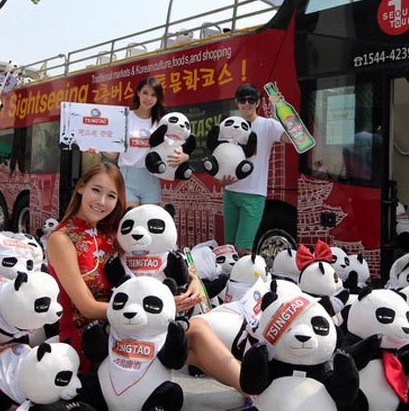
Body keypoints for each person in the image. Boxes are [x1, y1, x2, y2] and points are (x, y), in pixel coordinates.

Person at [48, 163, 244, 392]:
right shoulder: (61, 240)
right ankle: (255, 389)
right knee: (196, 333)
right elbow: (87, 307)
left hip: (128, 325)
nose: (101, 201)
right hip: (91, 337)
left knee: (196, 343)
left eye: (111, 195)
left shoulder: (111, 235)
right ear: (81, 187)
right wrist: (162, 308)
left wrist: (191, 281)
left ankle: (252, 390)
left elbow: (156, 260)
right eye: (96, 190)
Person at [88, 77, 188, 207]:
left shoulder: (161, 122)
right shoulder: (124, 117)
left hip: (151, 178)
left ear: (158, 98)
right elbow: (114, 154)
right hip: (127, 177)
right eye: (145, 93)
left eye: (153, 95)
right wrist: (97, 147)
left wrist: (185, 156)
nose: (148, 98)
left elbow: (176, 145)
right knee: (130, 220)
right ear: (138, 93)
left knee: (148, 220)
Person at [221, 83, 293, 255]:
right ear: (236, 102)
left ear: (259, 102)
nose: (247, 104)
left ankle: (247, 280)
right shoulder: (229, 124)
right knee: (229, 248)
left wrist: (282, 109)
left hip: (254, 195)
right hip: (230, 192)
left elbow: (294, 138)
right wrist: (220, 179)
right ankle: (232, 281)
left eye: (251, 100)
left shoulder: (268, 125)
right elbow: (221, 156)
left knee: (243, 248)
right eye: (243, 100)